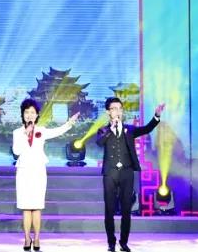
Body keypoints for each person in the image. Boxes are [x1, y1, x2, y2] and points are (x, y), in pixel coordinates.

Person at [95, 98, 165, 252]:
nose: (117, 111)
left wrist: (156, 116)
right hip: (110, 173)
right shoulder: (103, 130)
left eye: (120, 108)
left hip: (127, 173)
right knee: (109, 210)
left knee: (126, 209)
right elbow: (99, 143)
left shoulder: (129, 129)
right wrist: (111, 128)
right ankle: (111, 243)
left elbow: (146, 129)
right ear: (108, 112)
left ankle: (124, 242)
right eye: (114, 109)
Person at [12, 99, 79, 251]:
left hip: (38, 171)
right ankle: (27, 238)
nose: (29, 115)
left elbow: (57, 131)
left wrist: (69, 123)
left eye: (32, 112)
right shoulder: (17, 132)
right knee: (26, 207)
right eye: (27, 112)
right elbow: (16, 151)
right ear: (23, 114)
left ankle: (36, 238)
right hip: (23, 172)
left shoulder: (41, 131)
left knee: (36, 207)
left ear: (37, 115)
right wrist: (25, 135)